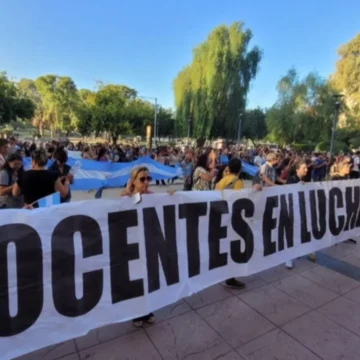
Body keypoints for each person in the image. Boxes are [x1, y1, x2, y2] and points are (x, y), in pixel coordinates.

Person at [120, 166, 155, 327]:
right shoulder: (124, 198)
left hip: (148, 245)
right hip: (132, 247)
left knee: (148, 278)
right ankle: (137, 313)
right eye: (142, 179)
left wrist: (171, 198)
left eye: (148, 179)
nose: (146, 182)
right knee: (135, 280)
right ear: (133, 181)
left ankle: (147, 310)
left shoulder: (153, 197)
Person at [215, 158, 246, 289]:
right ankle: (230, 277)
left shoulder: (220, 181)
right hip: (231, 219)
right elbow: (238, 202)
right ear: (239, 170)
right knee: (232, 248)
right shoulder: (238, 182)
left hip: (219, 217)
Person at [285, 160, 316, 269]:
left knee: (302, 231)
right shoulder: (291, 179)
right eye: (304, 168)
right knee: (292, 234)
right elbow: (288, 192)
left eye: (306, 168)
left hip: (301, 210)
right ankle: (288, 258)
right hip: (292, 211)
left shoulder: (304, 179)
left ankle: (306, 250)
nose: (306, 169)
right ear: (297, 169)